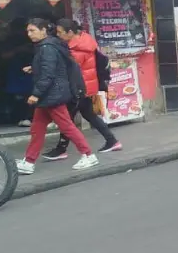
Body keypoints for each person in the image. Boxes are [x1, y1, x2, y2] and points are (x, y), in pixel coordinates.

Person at [16, 18, 97, 174]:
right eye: (28, 31)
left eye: (32, 30)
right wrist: (34, 68)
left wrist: (35, 94)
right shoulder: (51, 45)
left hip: (52, 95)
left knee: (67, 127)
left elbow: (48, 74)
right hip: (49, 96)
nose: (29, 34)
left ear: (44, 30)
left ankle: (88, 154)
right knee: (37, 128)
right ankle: (29, 161)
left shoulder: (47, 47)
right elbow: (52, 67)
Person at [40, 18, 120, 160]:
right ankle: (112, 141)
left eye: (60, 32)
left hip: (79, 89)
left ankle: (62, 149)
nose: (58, 35)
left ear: (70, 32)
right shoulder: (85, 41)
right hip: (87, 87)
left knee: (67, 120)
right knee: (89, 115)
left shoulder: (77, 50)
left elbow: (66, 69)